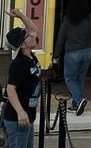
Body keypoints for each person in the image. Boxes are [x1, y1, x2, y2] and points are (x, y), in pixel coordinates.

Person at [3, 8, 41, 148]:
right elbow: (11, 89)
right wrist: (20, 112)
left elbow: (33, 28)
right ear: (23, 45)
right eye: (27, 36)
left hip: (26, 117)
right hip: (17, 119)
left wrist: (20, 15)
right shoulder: (19, 63)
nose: (32, 35)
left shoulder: (29, 56)